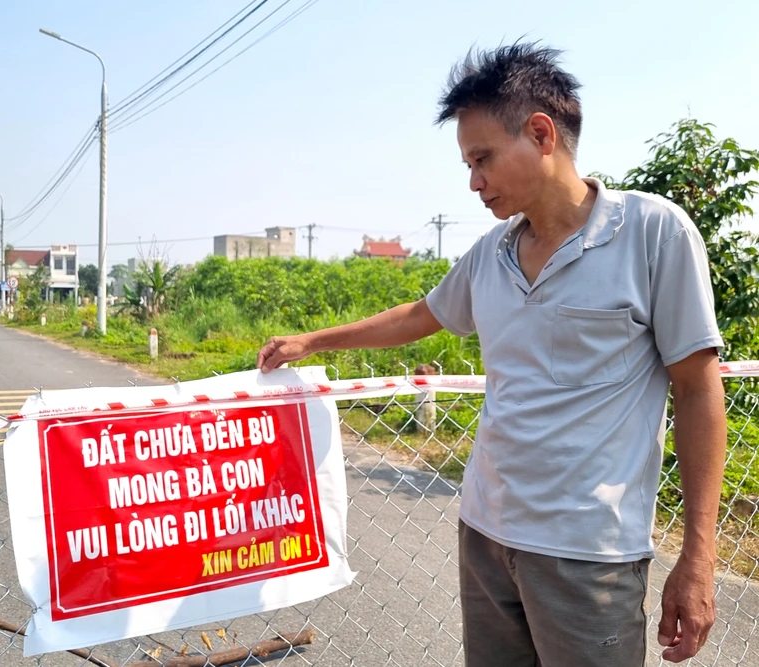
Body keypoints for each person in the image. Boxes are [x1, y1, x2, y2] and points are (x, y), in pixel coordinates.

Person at [256, 41, 727, 667]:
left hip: (588, 555)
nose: (473, 181)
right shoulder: (493, 253)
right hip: (485, 536)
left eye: (482, 159)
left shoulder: (651, 232)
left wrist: (698, 560)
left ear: (540, 134)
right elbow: (422, 316)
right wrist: (313, 341)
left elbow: (698, 391)